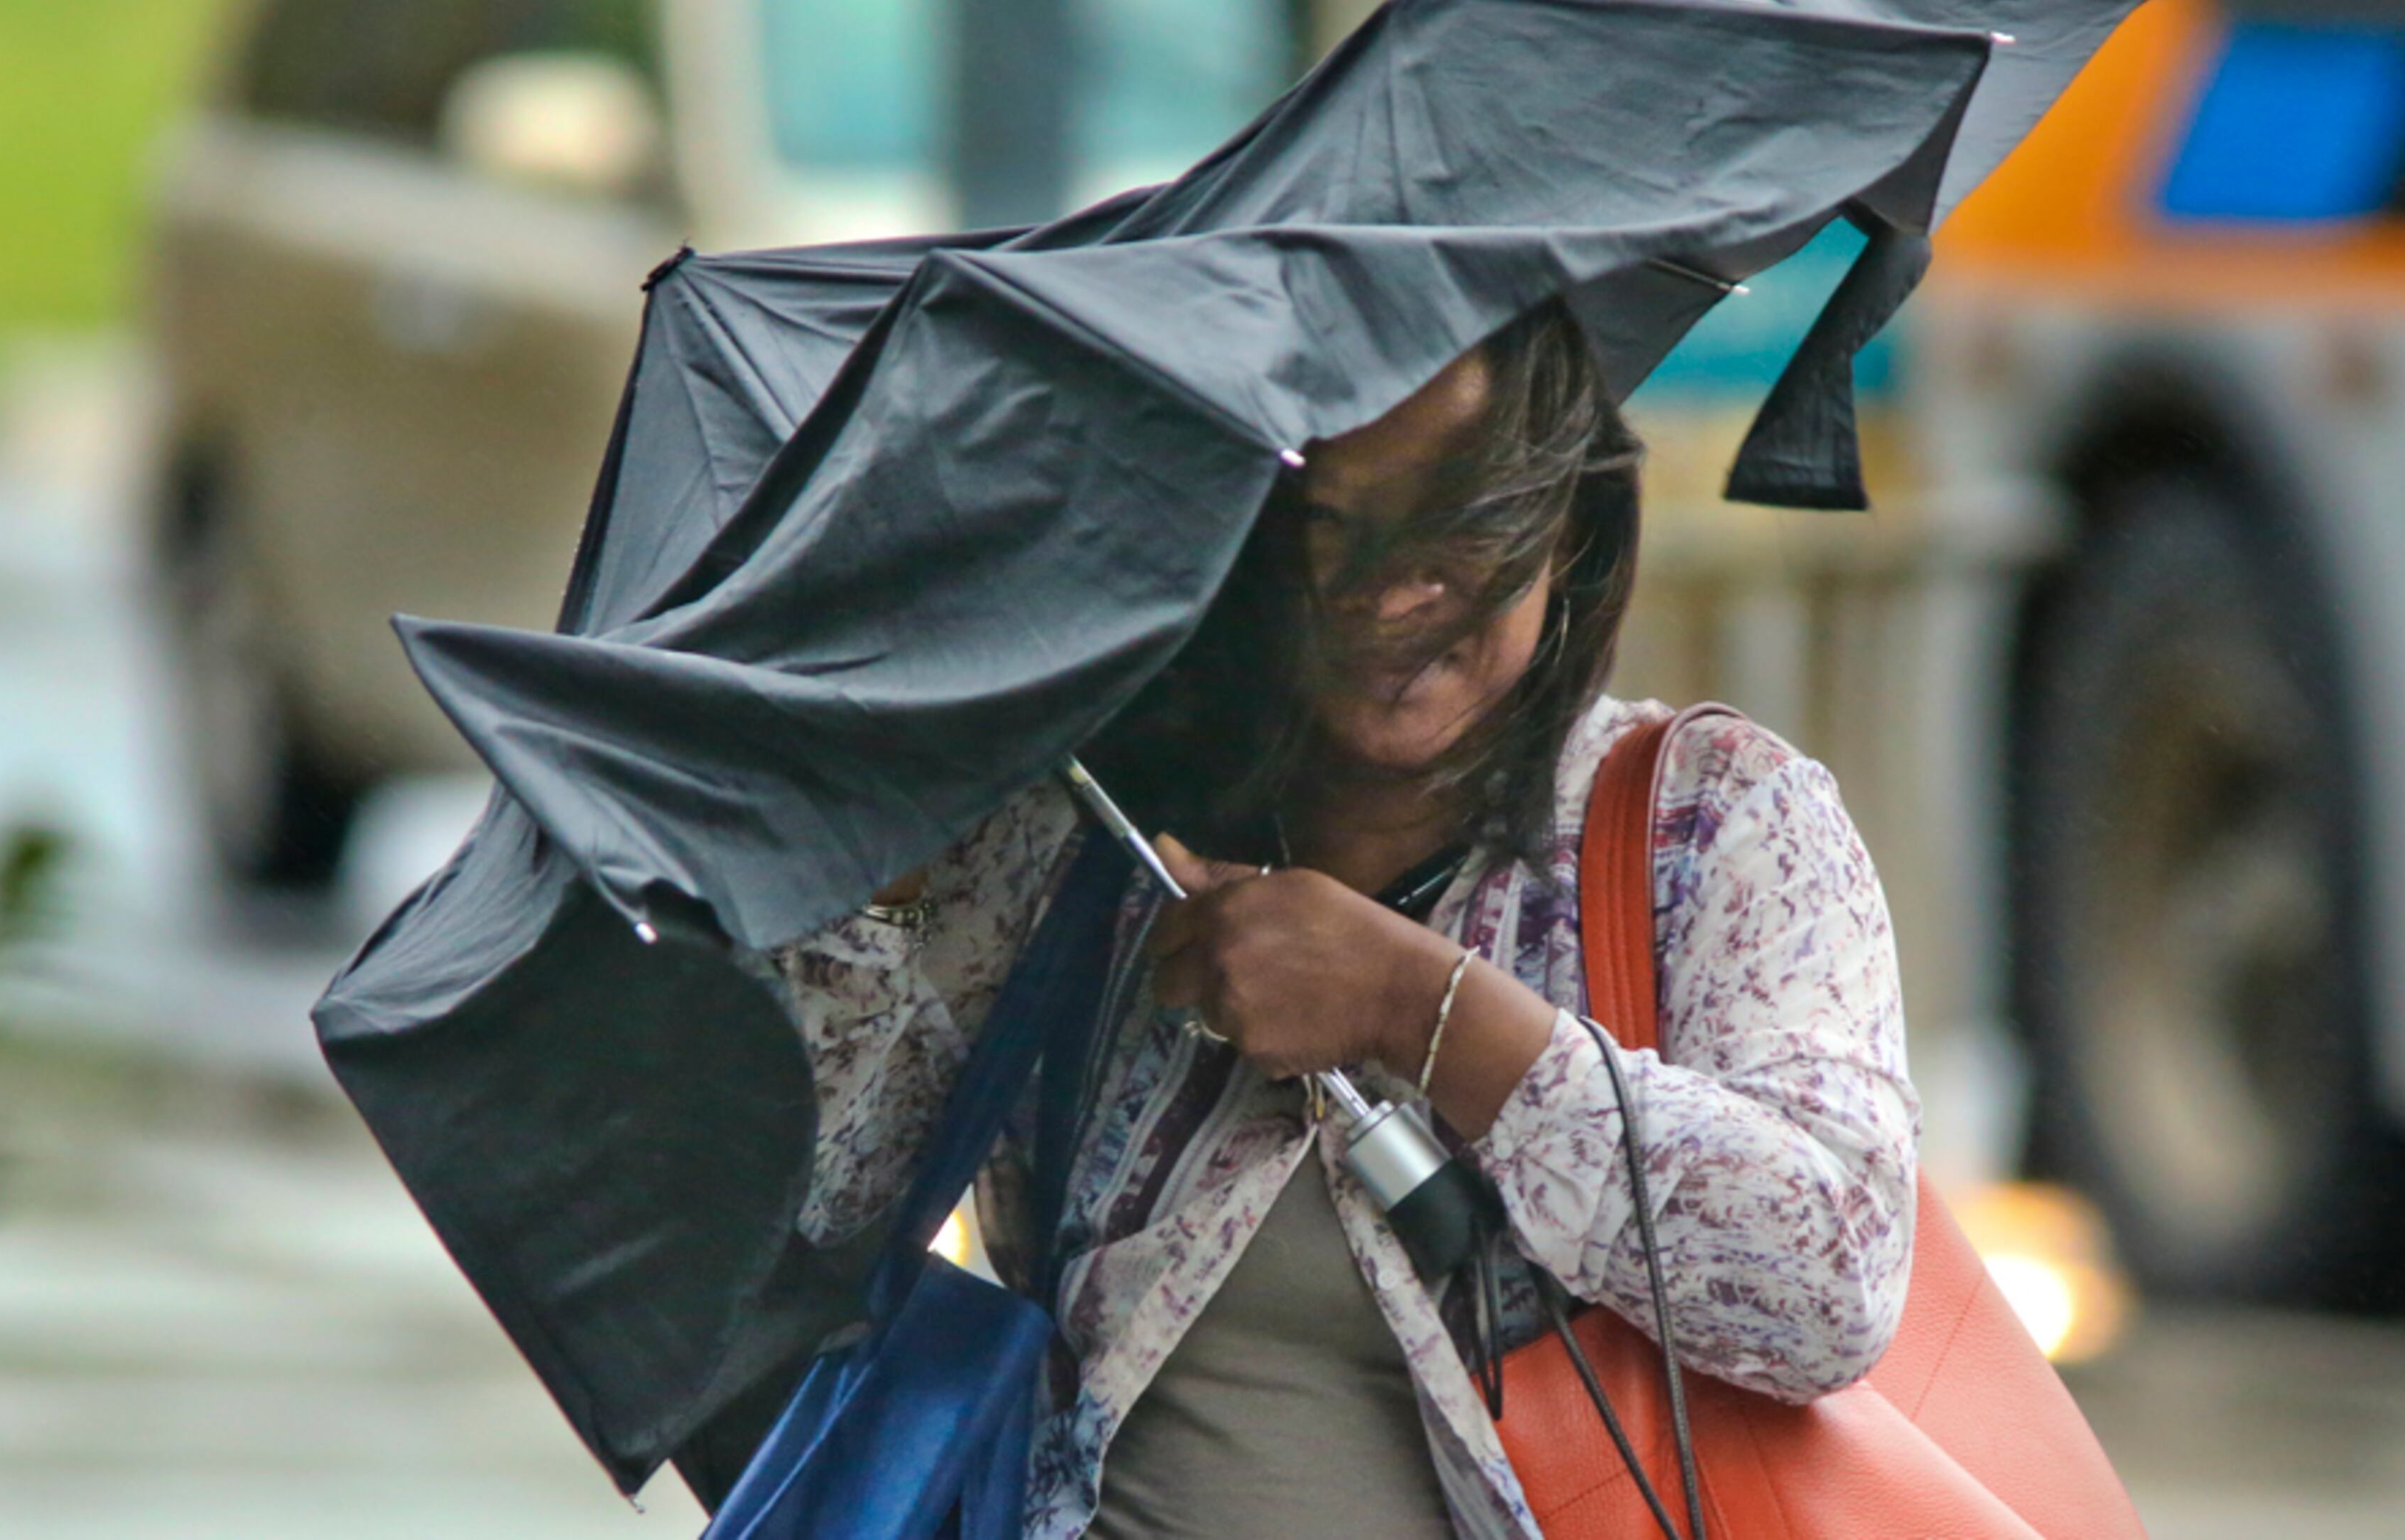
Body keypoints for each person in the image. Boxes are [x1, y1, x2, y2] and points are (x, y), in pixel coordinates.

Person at [771, 298, 1919, 1539]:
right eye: (1336, 530)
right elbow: (822, 1208)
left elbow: (1830, 1284)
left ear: (1568, 530)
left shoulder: (1708, 829)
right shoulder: (1096, 831)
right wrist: (890, 865)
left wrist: (1416, 1008)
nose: (1395, 597)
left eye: (1462, 533)